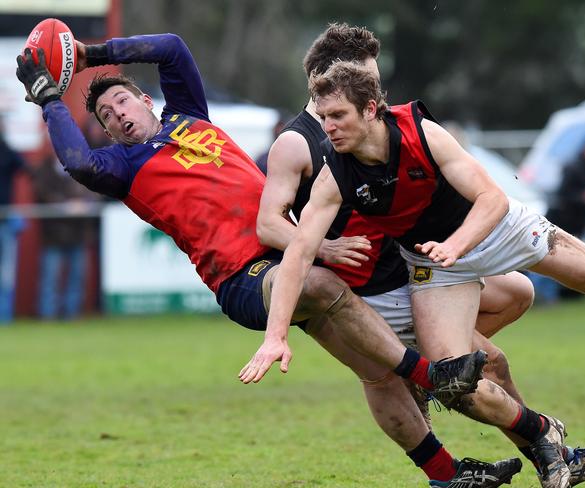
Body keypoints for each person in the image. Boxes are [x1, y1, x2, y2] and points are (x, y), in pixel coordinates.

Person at [16, 33, 517, 486]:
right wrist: (48, 99)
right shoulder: (122, 166)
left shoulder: (189, 116)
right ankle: (430, 375)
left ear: (147, 100)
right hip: (244, 280)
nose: (118, 115)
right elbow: (77, 162)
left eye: (122, 100)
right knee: (321, 285)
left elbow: (171, 47)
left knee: (377, 374)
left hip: (288, 259)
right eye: (106, 117)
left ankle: (446, 475)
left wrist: (91, 54)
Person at [256, 22, 585, 488]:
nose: (378, 92)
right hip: (399, 279)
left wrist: (455, 245)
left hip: (468, 240)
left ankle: (465, 404)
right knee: (460, 374)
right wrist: (280, 328)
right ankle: (546, 451)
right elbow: (275, 228)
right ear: (326, 80)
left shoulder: (410, 128)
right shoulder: (306, 146)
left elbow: (486, 196)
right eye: (364, 77)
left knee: (564, 290)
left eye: (373, 81)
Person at [531, 135, 585, 303]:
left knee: (561, 259)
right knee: (547, 256)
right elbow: (563, 196)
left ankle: (550, 295)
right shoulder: (574, 168)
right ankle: (539, 294)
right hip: (559, 221)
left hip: (578, 224)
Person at [32, 151, 97, 319]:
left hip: (78, 232)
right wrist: (66, 205)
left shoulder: (82, 168)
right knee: (50, 278)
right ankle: (47, 316)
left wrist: (84, 204)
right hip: (53, 234)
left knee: (77, 277)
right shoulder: (44, 170)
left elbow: (95, 191)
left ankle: (72, 314)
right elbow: (42, 194)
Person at [0, 121, 27, 323]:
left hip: (5, 219)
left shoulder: (6, 150)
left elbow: (27, 169)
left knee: (6, 273)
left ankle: (4, 316)